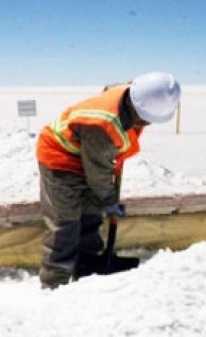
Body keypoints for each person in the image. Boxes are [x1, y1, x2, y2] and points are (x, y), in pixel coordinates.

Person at [35, 72, 181, 289]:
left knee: (92, 211)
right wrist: (108, 200)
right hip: (60, 155)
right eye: (145, 119)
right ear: (136, 107)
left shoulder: (133, 92)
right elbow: (99, 173)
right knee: (65, 223)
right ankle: (54, 283)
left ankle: (86, 264)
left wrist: (102, 201)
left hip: (88, 150)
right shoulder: (102, 126)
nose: (146, 125)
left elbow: (107, 90)